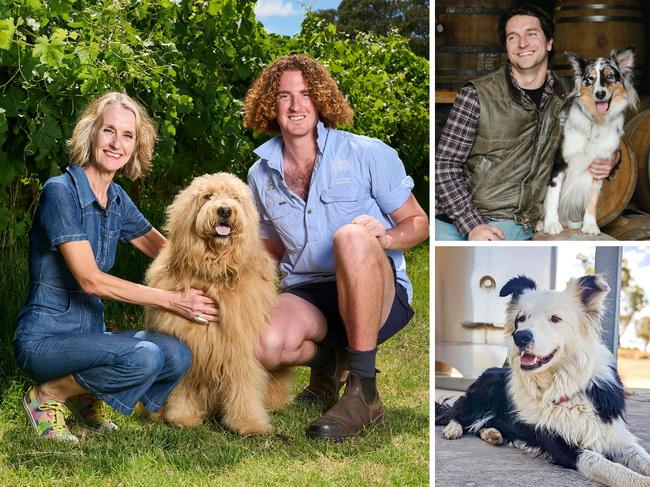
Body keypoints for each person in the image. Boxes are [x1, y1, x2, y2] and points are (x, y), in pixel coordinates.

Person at [14, 92, 219, 442]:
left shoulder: (116, 199)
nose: (116, 143)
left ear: (136, 146)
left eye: (127, 136)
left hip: (90, 339)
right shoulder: (59, 192)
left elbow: (166, 251)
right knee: (145, 356)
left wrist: (221, 261)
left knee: (176, 352)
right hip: (44, 341)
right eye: (109, 131)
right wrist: (171, 300)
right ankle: (48, 396)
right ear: (91, 133)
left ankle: (85, 396)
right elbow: (90, 281)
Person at [244, 54, 429, 441]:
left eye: (306, 94)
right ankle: (330, 361)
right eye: (284, 96)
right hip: (310, 292)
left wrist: (385, 238)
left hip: (375, 287)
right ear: (269, 105)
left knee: (351, 236)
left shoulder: (366, 152)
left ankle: (364, 390)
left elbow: (417, 223)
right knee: (265, 346)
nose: (296, 105)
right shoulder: (260, 174)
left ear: (321, 99)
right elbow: (269, 250)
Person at [435, 4, 619, 241]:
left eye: (531, 34)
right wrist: (472, 225)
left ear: (549, 42)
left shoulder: (573, 97)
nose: (522, 44)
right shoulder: (477, 95)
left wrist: (613, 159)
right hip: (457, 219)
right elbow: (445, 165)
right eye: (513, 37)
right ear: (507, 47)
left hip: (515, 223)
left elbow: (603, 134)